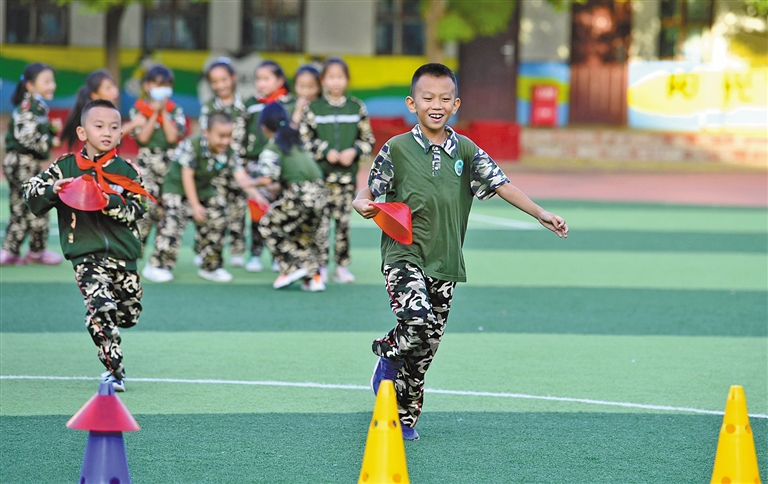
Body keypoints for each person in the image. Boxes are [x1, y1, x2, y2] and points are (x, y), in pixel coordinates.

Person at [353, 63, 569, 441]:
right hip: (403, 255)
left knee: (425, 351)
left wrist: (540, 213)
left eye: (444, 99)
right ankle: (387, 355)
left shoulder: (466, 150)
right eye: (427, 98)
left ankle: (403, 417)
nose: (436, 105)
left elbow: (501, 184)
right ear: (412, 103)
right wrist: (361, 203)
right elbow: (369, 190)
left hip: (446, 263)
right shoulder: (397, 148)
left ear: (456, 105)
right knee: (416, 319)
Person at [24, 99, 154, 392]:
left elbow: (141, 206)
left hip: (123, 256)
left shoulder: (127, 171)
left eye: (114, 127)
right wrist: (51, 190)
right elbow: (30, 194)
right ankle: (115, 371)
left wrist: (109, 201)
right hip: (85, 256)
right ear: (82, 132)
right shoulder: (65, 167)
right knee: (101, 307)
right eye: (99, 126)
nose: (107, 132)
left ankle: (102, 316)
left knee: (128, 314)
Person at [300, 57, 375, 284]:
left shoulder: (356, 107)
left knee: (343, 224)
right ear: (323, 80)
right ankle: (320, 266)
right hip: (320, 178)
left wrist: (354, 151)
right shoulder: (314, 108)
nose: (335, 82)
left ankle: (341, 267)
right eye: (331, 77)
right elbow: (304, 140)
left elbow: (368, 140)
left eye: (340, 77)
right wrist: (324, 150)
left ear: (347, 80)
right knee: (319, 224)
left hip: (346, 179)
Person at [237, 103, 327, 291]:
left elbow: (266, 178)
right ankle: (313, 278)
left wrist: (249, 183)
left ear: (263, 128)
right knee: (304, 236)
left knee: (268, 225)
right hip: (320, 193)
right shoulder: (294, 140)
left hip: (301, 194)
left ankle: (293, 267)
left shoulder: (274, 145)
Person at [142, 112, 239, 284]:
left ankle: (210, 265)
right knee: (173, 221)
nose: (226, 141)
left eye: (229, 135)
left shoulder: (229, 150)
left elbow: (241, 176)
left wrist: (257, 189)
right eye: (221, 136)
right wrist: (195, 206)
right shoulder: (192, 144)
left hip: (203, 189)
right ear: (207, 132)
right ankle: (158, 265)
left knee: (218, 215)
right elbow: (187, 176)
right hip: (176, 188)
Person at [1, 63, 63, 266]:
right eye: (46, 81)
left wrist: (50, 131)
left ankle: (9, 251)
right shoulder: (28, 108)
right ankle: (37, 251)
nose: (52, 85)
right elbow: (28, 139)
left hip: (21, 162)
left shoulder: (36, 106)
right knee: (38, 203)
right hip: (23, 163)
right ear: (30, 85)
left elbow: (34, 133)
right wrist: (50, 141)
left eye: (52, 81)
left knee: (21, 207)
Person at [242, 60, 295, 273]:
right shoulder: (250, 104)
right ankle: (255, 253)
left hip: (282, 163)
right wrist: (243, 163)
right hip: (256, 163)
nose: (261, 83)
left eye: (266, 79)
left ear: (280, 80)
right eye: (258, 79)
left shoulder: (290, 103)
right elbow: (240, 134)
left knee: (281, 211)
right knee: (258, 209)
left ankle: (278, 255)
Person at [128, 65, 187, 246]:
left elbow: (172, 137)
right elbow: (142, 138)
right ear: (147, 86)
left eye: (166, 85)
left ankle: (161, 252)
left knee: (169, 210)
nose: (163, 89)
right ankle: (137, 248)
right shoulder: (138, 110)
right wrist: (154, 113)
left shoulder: (175, 111)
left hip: (170, 164)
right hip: (147, 164)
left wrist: (163, 112)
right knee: (146, 207)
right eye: (158, 84)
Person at [199, 58, 247, 268]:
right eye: (215, 81)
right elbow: (204, 138)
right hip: (215, 169)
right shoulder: (209, 108)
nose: (220, 85)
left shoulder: (244, 106)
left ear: (233, 78)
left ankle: (237, 250)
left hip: (239, 167)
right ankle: (204, 249)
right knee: (212, 209)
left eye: (224, 80)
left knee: (238, 210)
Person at [60, 69, 124, 150]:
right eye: (108, 88)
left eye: (114, 86)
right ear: (94, 95)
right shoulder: (93, 115)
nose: (115, 91)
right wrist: (133, 124)